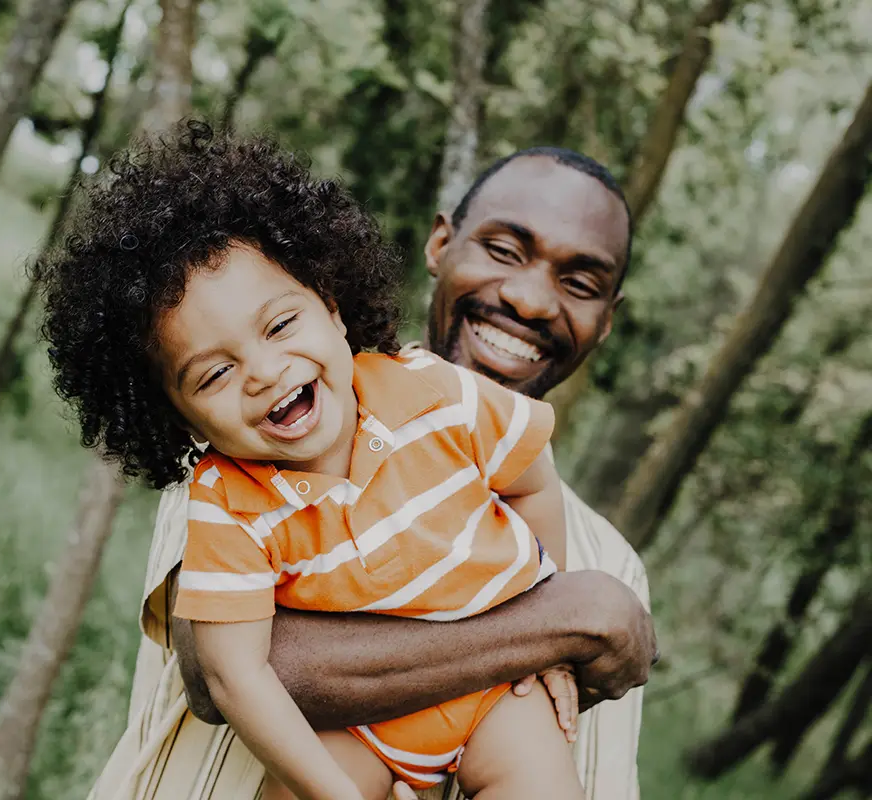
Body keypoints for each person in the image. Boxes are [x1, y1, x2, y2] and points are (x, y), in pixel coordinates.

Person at [78, 139, 657, 800]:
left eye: (580, 283)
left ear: (605, 323)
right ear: (441, 243)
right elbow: (230, 674)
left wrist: (570, 612)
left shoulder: (613, 564)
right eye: (503, 249)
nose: (530, 301)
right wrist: (562, 619)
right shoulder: (245, 463)